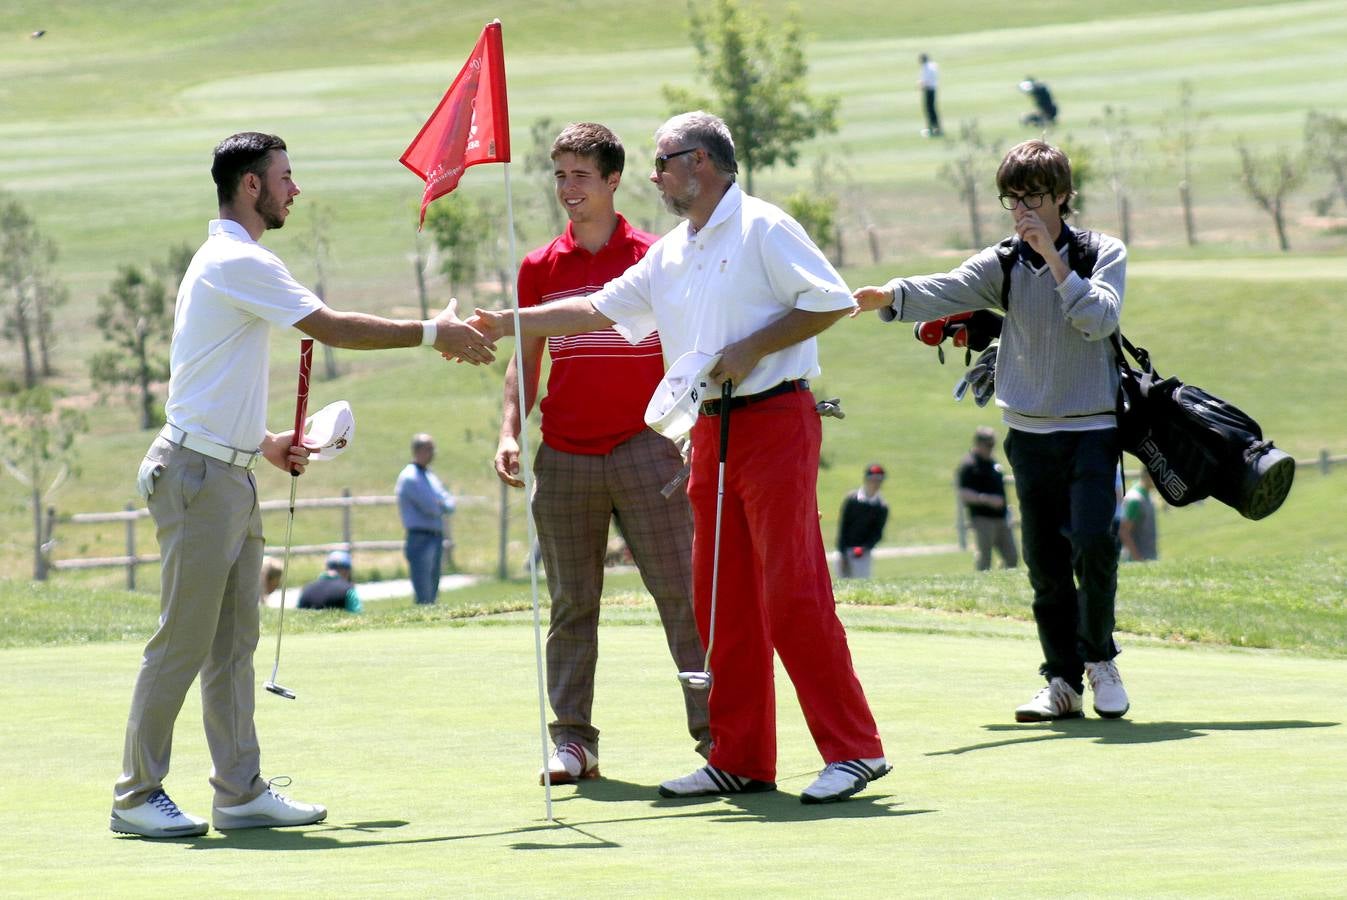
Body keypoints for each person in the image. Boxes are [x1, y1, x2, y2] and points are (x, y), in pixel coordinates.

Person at [470, 111, 888, 805]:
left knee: (792, 593)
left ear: (700, 162)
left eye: (663, 162)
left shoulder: (762, 226)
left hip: (775, 418)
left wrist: (751, 347)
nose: (656, 174)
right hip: (707, 433)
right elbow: (593, 312)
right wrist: (505, 323)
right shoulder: (671, 250)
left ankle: (854, 750)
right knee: (721, 603)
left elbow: (829, 300)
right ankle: (739, 756)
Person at [110, 131, 495, 840]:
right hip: (198, 478)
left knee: (233, 645)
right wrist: (431, 332)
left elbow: (206, 383)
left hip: (229, 470)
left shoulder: (233, 263)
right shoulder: (234, 258)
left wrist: (266, 443)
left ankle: (240, 791)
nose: (296, 189)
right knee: (182, 642)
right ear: (251, 187)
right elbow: (333, 326)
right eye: (286, 177)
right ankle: (136, 795)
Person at [853, 139, 1130, 723]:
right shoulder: (1002, 260)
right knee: (1045, 559)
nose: (1021, 210)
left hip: (1093, 427)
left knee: (1095, 542)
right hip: (1028, 431)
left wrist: (1054, 259)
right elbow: (945, 287)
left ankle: (1100, 659)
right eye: (1012, 199)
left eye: (1032, 197)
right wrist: (890, 297)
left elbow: (1098, 318)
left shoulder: (1103, 251)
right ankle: (1061, 682)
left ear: (1061, 196)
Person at [494, 122, 709, 785]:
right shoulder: (538, 268)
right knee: (571, 605)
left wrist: (694, 433)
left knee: (683, 597)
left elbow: (687, 350)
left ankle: (718, 736)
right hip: (564, 456)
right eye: (558, 175)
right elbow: (525, 361)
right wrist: (509, 428)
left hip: (649, 449)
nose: (567, 188)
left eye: (580, 175)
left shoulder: (656, 254)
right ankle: (572, 743)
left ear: (613, 180)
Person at [395, 433, 456, 605]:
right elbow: (431, 506)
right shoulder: (410, 477)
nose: (433, 452)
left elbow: (448, 502)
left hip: (435, 536)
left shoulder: (430, 475)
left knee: (434, 589)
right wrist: (440, 504)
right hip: (420, 538)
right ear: (418, 450)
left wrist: (442, 503)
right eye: (429, 449)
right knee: (424, 592)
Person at [957, 427, 1019, 571]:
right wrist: (986, 499)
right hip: (982, 519)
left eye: (993, 445)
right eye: (988, 445)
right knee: (985, 558)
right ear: (978, 444)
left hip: (1001, 518)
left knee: (1012, 557)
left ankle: (1003, 580)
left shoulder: (993, 463)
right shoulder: (970, 465)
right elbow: (964, 493)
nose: (991, 448)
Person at [836, 464, 889, 579]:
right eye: (873, 479)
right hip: (845, 549)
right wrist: (842, 551)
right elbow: (843, 527)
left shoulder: (881, 506)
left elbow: (877, 533)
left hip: (863, 554)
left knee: (861, 582)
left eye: (879, 480)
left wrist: (864, 547)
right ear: (866, 479)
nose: (875, 483)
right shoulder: (852, 500)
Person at [297, 549, 363, 612]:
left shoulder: (306, 589)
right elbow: (357, 614)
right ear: (346, 571)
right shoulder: (348, 589)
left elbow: (297, 614)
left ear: (327, 567)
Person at [1119, 469, 1158, 562]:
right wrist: (1138, 559)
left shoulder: (1147, 494)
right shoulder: (1135, 499)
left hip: (1149, 556)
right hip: (1137, 560)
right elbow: (1124, 532)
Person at [917, 53, 942, 137]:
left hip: (928, 90)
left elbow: (925, 81)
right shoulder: (933, 65)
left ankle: (931, 129)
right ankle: (937, 128)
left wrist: (920, 85)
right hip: (933, 89)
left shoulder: (926, 67)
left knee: (929, 110)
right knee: (932, 110)